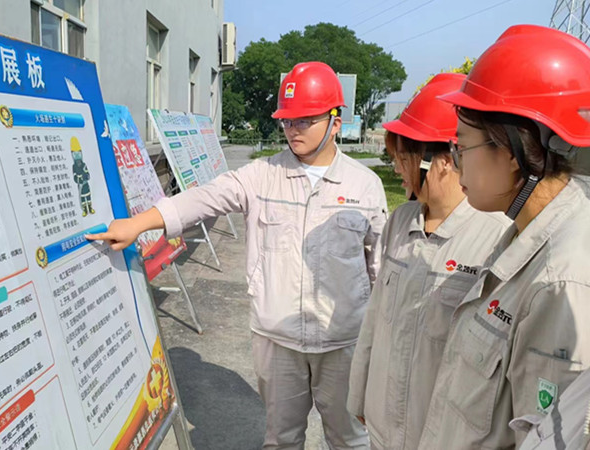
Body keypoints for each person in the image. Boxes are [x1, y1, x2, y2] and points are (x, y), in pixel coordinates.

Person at [87, 61, 387, 449]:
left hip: (342, 342)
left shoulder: (364, 186)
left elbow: (379, 268)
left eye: (304, 120)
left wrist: (377, 340)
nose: (293, 130)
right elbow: (204, 198)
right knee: (281, 438)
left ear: (335, 121)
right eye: (287, 121)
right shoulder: (261, 176)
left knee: (349, 439)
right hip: (277, 341)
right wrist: (140, 223)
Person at [416, 24, 590, 449]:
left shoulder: (561, 282)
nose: (455, 164)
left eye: (461, 148)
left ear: (510, 151)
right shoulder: (526, 229)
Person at [346, 73, 511, 450]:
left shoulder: (495, 238)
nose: (397, 169)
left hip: (439, 434)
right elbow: (376, 316)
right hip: (384, 425)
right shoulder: (401, 221)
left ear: (444, 161)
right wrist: (359, 394)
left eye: (403, 159)